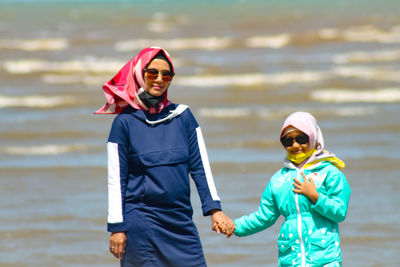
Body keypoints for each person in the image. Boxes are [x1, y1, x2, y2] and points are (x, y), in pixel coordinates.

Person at [95, 47, 232, 266]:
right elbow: (116, 179)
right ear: (140, 74)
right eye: (152, 73)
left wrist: (215, 210)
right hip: (142, 223)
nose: (159, 79)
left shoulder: (184, 117)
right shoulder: (124, 123)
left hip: (180, 221)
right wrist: (117, 227)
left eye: (166, 75)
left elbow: (200, 167)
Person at [228, 111, 351, 266]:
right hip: (291, 260)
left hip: (325, 259)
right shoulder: (279, 180)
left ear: (313, 137)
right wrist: (235, 227)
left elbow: (339, 213)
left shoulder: (329, 173)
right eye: (288, 141)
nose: (295, 145)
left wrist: (315, 196)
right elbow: (264, 216)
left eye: (301, 139)